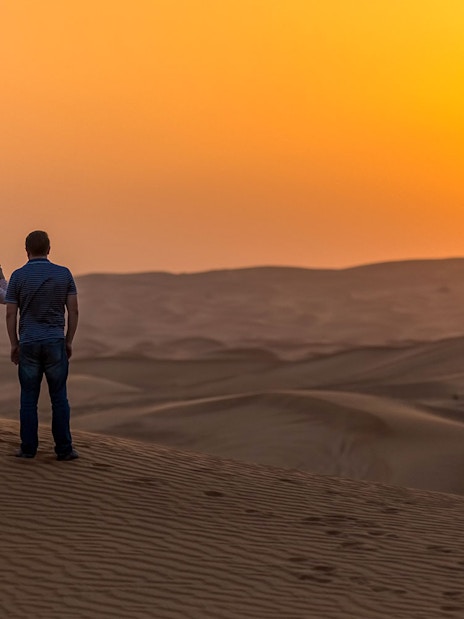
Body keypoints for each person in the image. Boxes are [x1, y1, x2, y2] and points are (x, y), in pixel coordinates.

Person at [5, 231, 79, 460]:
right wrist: (68, 341)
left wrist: (14, 344)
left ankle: (28, 449)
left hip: (28, 343)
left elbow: (10, 314)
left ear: (26, 250)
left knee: (28, 398)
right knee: (59, 398)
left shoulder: (17, 277)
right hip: (55, 342)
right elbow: (74, 311)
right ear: (49, 249)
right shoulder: (64, 274)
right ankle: (64, 450)